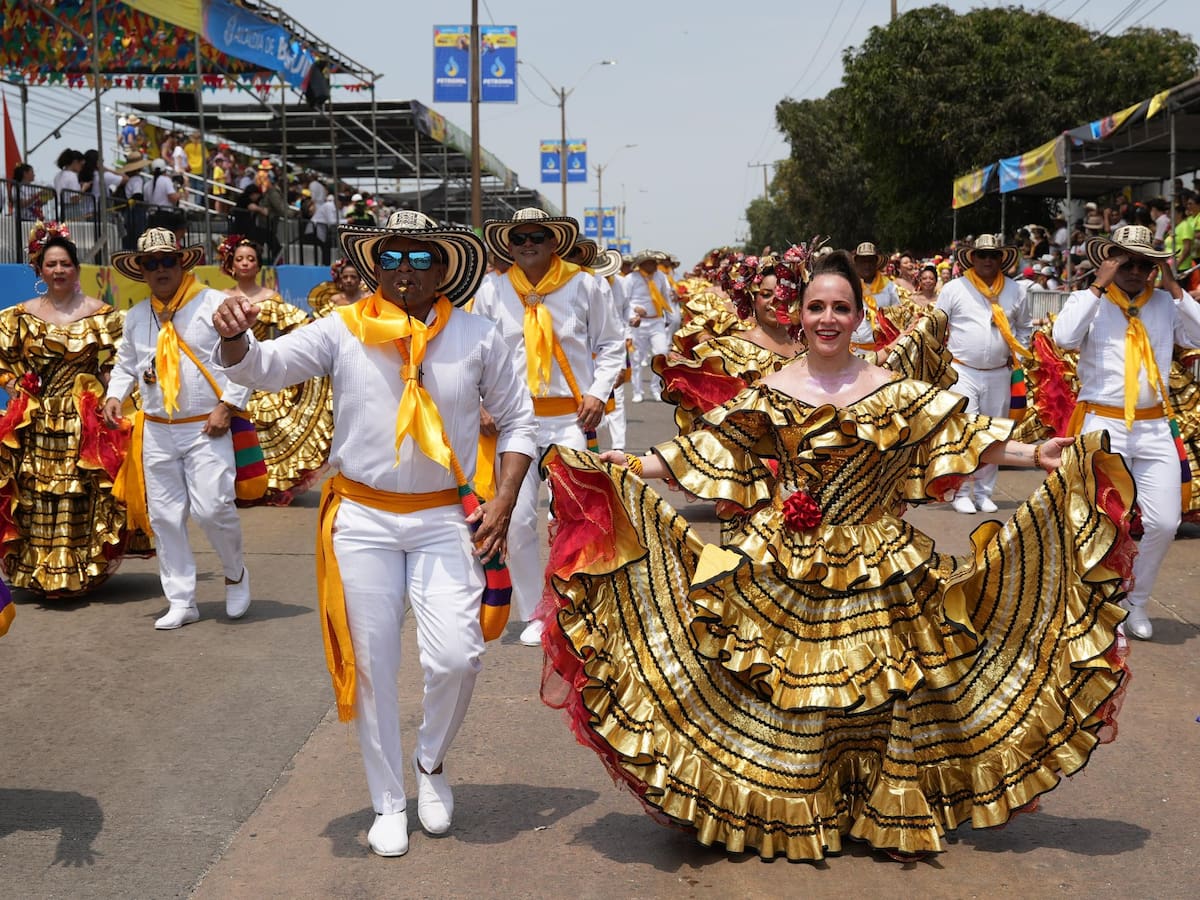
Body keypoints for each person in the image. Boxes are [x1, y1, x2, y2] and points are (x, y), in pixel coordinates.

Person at [537, 248, 1134, 862]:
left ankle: (881, 800)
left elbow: (962, 436)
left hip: (880, 559)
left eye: (840, 308)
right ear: (799, 315)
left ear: (857, 317)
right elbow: (711, 449)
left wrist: (1036, 456)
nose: (827, 318)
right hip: (787, 557)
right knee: (792, 692)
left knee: (885, 691)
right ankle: (798, 805)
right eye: (816, 306)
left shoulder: (892, 388)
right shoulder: (773, 387)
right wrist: (634, 464)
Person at [211, 210, 536, 858]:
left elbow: (520, 421)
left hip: (446, 515)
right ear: (374, 265)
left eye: (421, 260)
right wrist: (235, 345)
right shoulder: (343, 328)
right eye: (392, 258)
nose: (405, 272)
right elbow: (265, 368)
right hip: (362, 518)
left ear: (443, 269)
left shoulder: (478, 335)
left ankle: (431, 762)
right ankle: (388, 800)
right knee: (375, 663)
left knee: (457, 656)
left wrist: (503, 500)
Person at [472, 208, 625, 647]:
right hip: (513, 421)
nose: (527, 243)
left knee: (575, 515)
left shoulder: (585, 284)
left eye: (537, 235)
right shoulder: (493, 291)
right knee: (515, 521)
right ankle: (533, 612)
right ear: (509, 245)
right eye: (519, 238)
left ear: (553, 241)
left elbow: (612, 343)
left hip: (569, 420)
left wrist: (598, 392)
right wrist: (480, 400)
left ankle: (571, 605)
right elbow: (476, 350)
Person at [1053, 225, 1200, 641]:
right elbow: (1063, 337)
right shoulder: (1092, 302)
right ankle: (1099, 602)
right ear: (1110, 261)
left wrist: (1173, 287)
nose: (1135, 271)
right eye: (1126, 261)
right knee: (1102, 520)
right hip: (1104, 422)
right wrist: (1098, 283)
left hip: (1154, 423)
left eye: (1144, 264)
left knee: (1164, 520)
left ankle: (1136, 600)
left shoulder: (1165, 305)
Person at [102, 228, 252, 630]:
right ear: (142, 271)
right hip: (156, 429)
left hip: (205, 427)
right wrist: (116, 395)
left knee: (212, 507)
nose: (161, 269)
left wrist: (227, 406)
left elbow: (246, 357)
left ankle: (235, 573)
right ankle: (182, 599)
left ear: (182, 262)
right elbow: (126, 363)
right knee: (166, 517)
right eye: (152, 263)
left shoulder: (214, 304)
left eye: (168, 260)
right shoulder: (136, 316)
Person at [0, 223, 132, 595]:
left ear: (76, 269)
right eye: (51, 264)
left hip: (82, 418)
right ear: (39, 270)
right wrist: (16, 384)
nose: (58, 270)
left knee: (79, 492)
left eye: (65, 264)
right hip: (35, 419)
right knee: (36, 493)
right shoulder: (17, 317)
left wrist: (112, 393)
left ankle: (78, 569)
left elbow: (122, 361)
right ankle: (38, 569)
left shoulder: (101, 314)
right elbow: (3, 360)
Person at [217, 235, 333, 505]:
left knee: (266, 434)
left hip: (261, 369)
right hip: (229, 371)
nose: (246, 263)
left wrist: (278, 353)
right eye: (240, 259)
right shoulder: (221, 298)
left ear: (259, 266)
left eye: (251, 259)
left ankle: (265, 487)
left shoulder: (270, 298)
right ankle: (233, 487)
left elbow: (299, 326)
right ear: (230, 265)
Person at [935, 234, 1033, 514]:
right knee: (966, 431)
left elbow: (1024, 327)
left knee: (994, 431)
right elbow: (937, 326)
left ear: (1001, 259)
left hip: (1000, 372)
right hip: (962, 369)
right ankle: (962, 490)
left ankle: (984, 491)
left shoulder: (1016, 290)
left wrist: (1018, 352)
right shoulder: (955, 289)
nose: (988, 260)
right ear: (973, 258)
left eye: (993, 255)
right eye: (982, 255)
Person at [624, 250, 676, 402]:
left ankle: (655, 387)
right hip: (638, 323)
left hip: (657, 321)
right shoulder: (630, 278)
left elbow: (666, 297)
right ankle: (637, 391)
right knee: (636, 358)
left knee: (661, 354)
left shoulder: (661, 277)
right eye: (649, 262)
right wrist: (635, 309)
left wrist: (669, 317)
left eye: (654, 262)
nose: (653, 265)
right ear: (641, 264)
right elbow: (624, 302)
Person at [851, 241, 900, 352]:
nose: (867, 265)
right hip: (854, 349)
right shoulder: (849, 286)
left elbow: (898, 314)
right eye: (863, 261)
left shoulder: (889, 287)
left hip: (884, 348)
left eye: (870, 261)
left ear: (876, 262)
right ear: (857, 263)